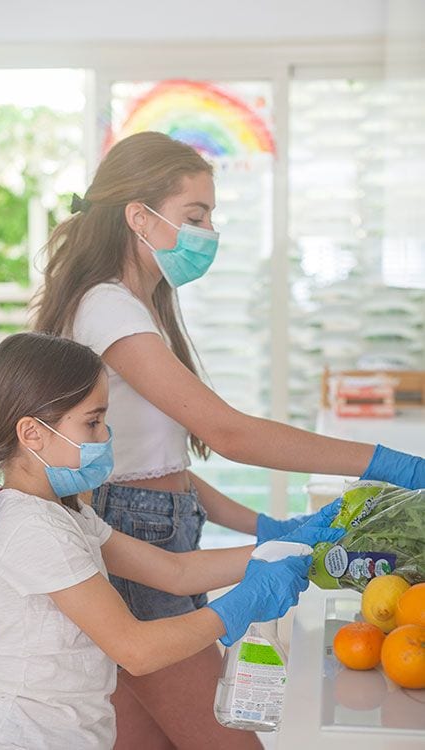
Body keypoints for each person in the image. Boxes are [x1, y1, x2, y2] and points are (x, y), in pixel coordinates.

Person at [31, 131, 425, 749]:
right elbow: (227, 431)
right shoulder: (110, 308)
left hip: (145, 529)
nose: (209, 231)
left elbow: (156, 469)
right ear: (140, 217)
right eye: (196, 215)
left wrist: (265, 526)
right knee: (228, 742)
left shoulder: (138, 305)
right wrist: (387, 463)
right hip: (136, 542)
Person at [0, 332, 343, 750]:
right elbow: (135, 649)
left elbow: (175, 572)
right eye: (92, 422)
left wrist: (289, 544)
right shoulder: (32, 528)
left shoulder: (64, 513)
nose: (106, 436)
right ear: (32, 433)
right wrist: (244, 601)